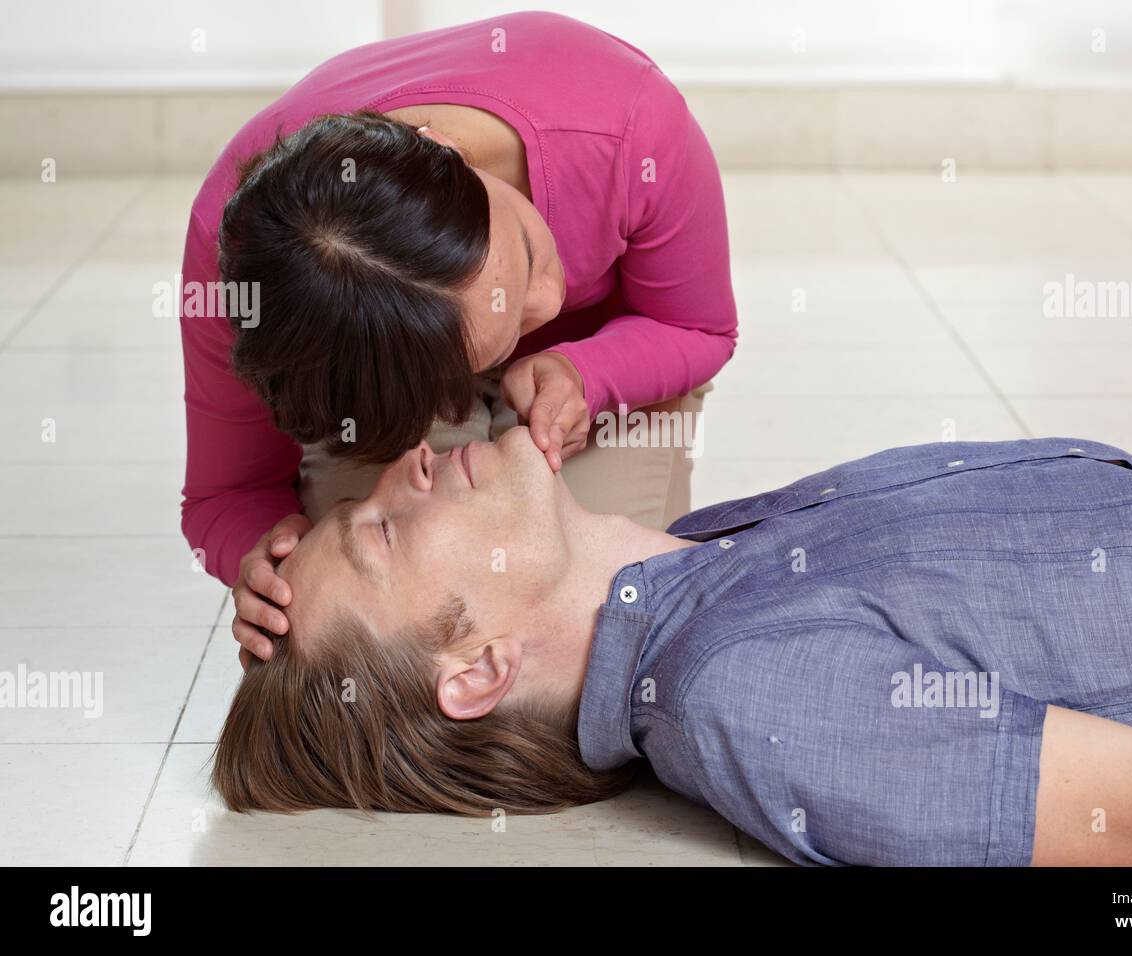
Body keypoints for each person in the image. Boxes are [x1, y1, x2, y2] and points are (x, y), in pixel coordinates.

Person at [212, 426, 1132, 866]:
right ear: (479, 668)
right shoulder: (748, 691)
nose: (405, 460)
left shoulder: (702, 554)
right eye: (384, 529)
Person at [178, 11, 736, 670]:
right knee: (385, 644)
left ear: (445, 149)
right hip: (386, 374)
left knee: (597, 629)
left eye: (527, 252)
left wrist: (589, 371)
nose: (551, 302)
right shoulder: (248, 272)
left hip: (615, 343)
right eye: (491, 346)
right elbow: (226, 495)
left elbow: (695, 326)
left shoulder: (630, 125)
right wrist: (267, 553)